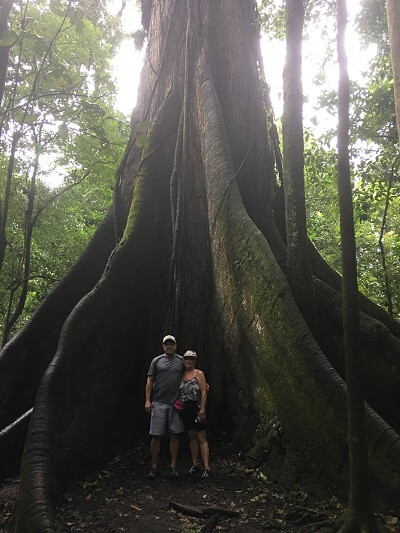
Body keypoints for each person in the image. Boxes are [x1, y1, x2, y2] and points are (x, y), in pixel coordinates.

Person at [145, 335, 184, 479]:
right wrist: (148, 401)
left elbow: (190, 375)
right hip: (158, 403)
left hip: (175, 404)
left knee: (174, 435)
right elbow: (150, 381)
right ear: (163, 346)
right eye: (166, 344)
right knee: (155, 436)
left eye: (171, 344)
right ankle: (154, 466)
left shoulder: (181, 361)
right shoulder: (156, 361)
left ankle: (173, 466)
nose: (169, 346)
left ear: (175, 346)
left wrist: (203, 385)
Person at [180, 350, 211, 478]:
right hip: (185, 409)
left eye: (192, 359)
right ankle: (195, 464)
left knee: (201, 438)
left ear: (195, 361)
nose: (189, 361)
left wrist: (202, 410)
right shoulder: (180, 374)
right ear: (183, 360)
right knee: (192, 438)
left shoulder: (199, 374)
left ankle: (207, 467)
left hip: (197, 408)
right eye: (187, 358)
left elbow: (204, 392)